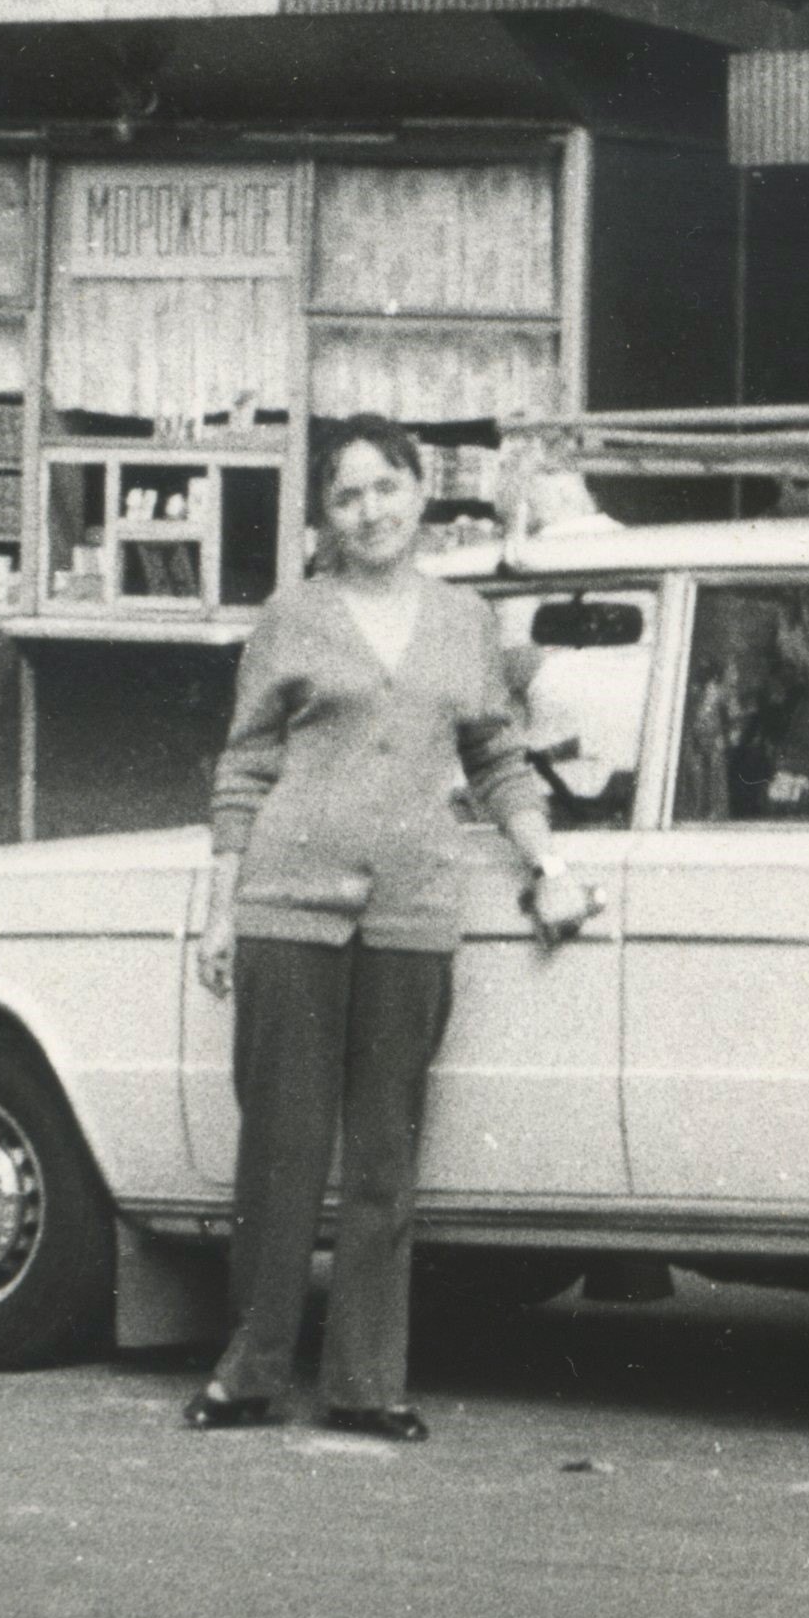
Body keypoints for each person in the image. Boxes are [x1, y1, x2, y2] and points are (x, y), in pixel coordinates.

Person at [188, 418, 596, 1439]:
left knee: (384, 1154)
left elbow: (499, 756)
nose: (370, 510)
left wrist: (548, 860)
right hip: (288, 903)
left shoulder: (465, 621)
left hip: (413, 910)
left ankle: (366, 1382)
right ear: (325, 515)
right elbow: (244, 765)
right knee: (279, 1151)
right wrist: (222, 908)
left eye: (385, 487)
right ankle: (249, 1370)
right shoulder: (293, 614)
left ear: (420, 493)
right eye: (347, 495)